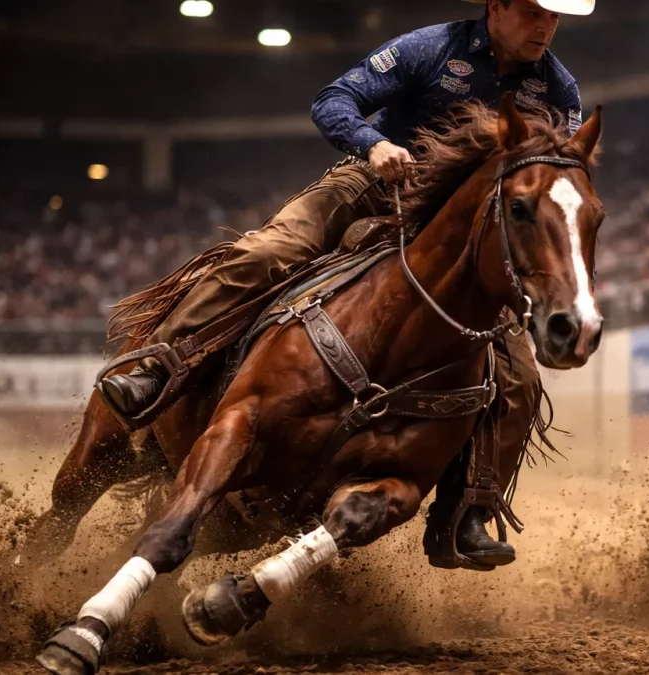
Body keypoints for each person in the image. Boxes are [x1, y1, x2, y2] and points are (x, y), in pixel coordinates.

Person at [98, 0, 593, 569]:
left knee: (520, 378)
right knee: (265, 252)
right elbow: (333, 100)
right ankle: (159, 366)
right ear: (497, 6)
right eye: (535, 12)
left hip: (467, 228)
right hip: (375, 183)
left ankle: (468, 509)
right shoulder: (430, 47)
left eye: (555, 18)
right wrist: (373, 144)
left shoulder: (560, 91)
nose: (546, 27)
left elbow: (559, 172)